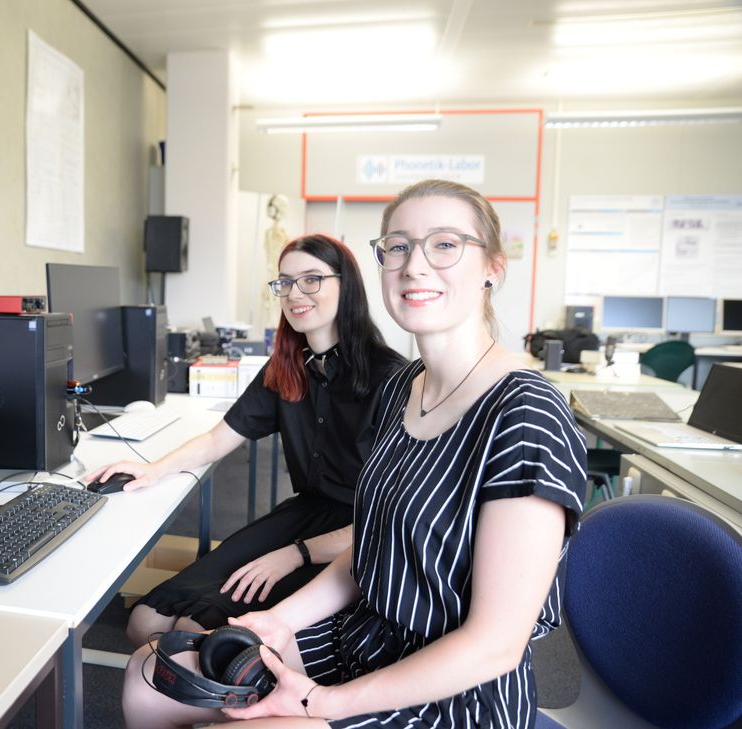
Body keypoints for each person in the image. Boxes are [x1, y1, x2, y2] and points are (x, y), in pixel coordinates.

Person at [122, 179, 587, 729]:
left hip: (453, 692)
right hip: (365, 636)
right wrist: (279, 621)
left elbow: (494, 646)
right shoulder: (404, 389)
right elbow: (371, 547)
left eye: (444, 244)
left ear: (493, 268)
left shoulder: (526, 414)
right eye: (398, 247)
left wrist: (320, 702)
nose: (414, 266)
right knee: (149, 676)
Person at [86, 233, 405, 648]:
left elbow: (390, 520)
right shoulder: (288, 367)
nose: (294, 294)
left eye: (311, 279)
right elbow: (217, 440)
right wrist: (153, 469)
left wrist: (295, 553)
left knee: (195, 635)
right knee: (144, 621)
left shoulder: (392, 379)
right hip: (301, 515)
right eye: (285, 282)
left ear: (347, 287)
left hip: (356, 536)